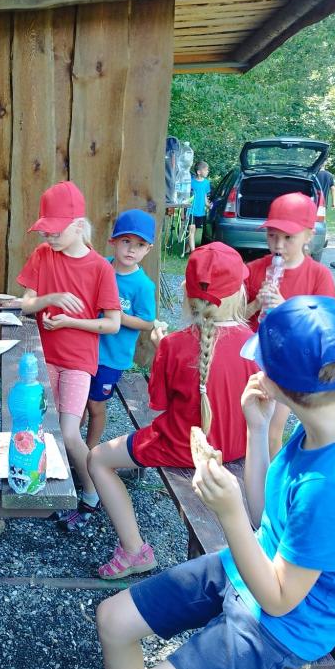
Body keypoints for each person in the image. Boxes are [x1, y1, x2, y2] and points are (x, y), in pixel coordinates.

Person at [55, 295, 335, 669]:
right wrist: (257, 429)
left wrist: (227, 513)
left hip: (284, 624)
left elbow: (280, 598)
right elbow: (265, 516)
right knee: (114, 618)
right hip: (252, 567)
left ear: (288, 383)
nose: (255, 370)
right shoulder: (323, 423)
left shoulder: (333, 483)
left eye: (263, 364)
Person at [88, 243, 257, 578]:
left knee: (96, 459)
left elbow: (158, 407)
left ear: (186, 292)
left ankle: (134, 550)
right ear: (239, 292)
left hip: (183, 448)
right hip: (235, 446)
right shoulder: (253, 341)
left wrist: (160, 349)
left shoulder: (174, 345)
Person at [17, 181, 121, 530]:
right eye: (45, 231)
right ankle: (50, 485)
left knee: (69, 431)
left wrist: (71, 321)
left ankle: (91, 492)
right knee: (44, 426)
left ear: (78, 225)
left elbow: (112, 324)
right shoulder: (43, 255)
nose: (49, 237)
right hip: (45, 357)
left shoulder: (100, 268)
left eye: (55, 231)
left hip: (78, 361)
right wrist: (51, 299)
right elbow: (26, 304)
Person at [244, 192, 335, 457]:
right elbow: (233, 317)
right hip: (249, 359)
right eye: (272, 235)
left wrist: (286, 308)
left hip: (289, 364)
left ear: (308, 236)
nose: (278, 245)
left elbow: (326, 330)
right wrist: (255, 304)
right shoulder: (254, 269)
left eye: (288, 238)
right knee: (243, 423)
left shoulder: (318, 276)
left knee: (271, 430)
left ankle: (270, 478)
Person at [84, 209, 156, 450]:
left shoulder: (143, 285)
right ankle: (72, 450)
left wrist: (119, 316)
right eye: (126, 241)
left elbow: (147, 322)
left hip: (112, 358)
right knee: (76, 404)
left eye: (140, 244)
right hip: (85, 350)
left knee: (95, 405)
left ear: (148, 249)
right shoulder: (99, 267)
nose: (131, 249)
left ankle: (90, 451)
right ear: (112, 241)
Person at [185, 160, 211, 257]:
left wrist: (208, 205)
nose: (207, 171)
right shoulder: (191, 182)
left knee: (194, 230)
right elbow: (186, 196)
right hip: (191, 210)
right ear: (199, 172)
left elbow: (205, 196)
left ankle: (187, 248)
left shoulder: (206, 183)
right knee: (191, 229)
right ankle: (193, 253)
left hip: (200, 211)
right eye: (206, 170)